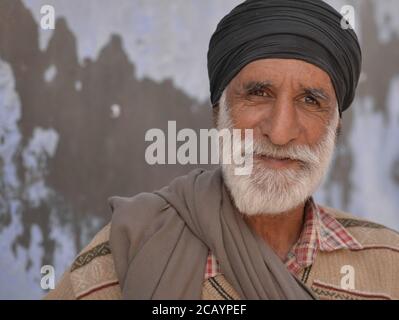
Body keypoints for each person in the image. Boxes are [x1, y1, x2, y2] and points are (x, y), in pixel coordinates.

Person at [45, 0, 399, 300]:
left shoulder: (389, 266)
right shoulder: (131, 250)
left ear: (335, 126)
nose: (279, 132)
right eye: (258, 93)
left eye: (310, 100)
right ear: (219, 112)